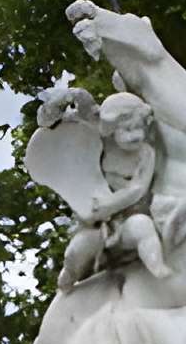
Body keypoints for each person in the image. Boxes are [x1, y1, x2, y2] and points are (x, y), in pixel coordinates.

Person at [56, 92, 170, 289]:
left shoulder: (145, 153)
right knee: (78, 249)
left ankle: (159, 269)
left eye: (139, 127)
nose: (135, 135)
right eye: (127, 129)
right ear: (111, 128)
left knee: (143, 228)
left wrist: (110, 205)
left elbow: (138, 189)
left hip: (128, 216)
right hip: (97, 222)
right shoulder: (98, 146)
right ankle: (68, 276)